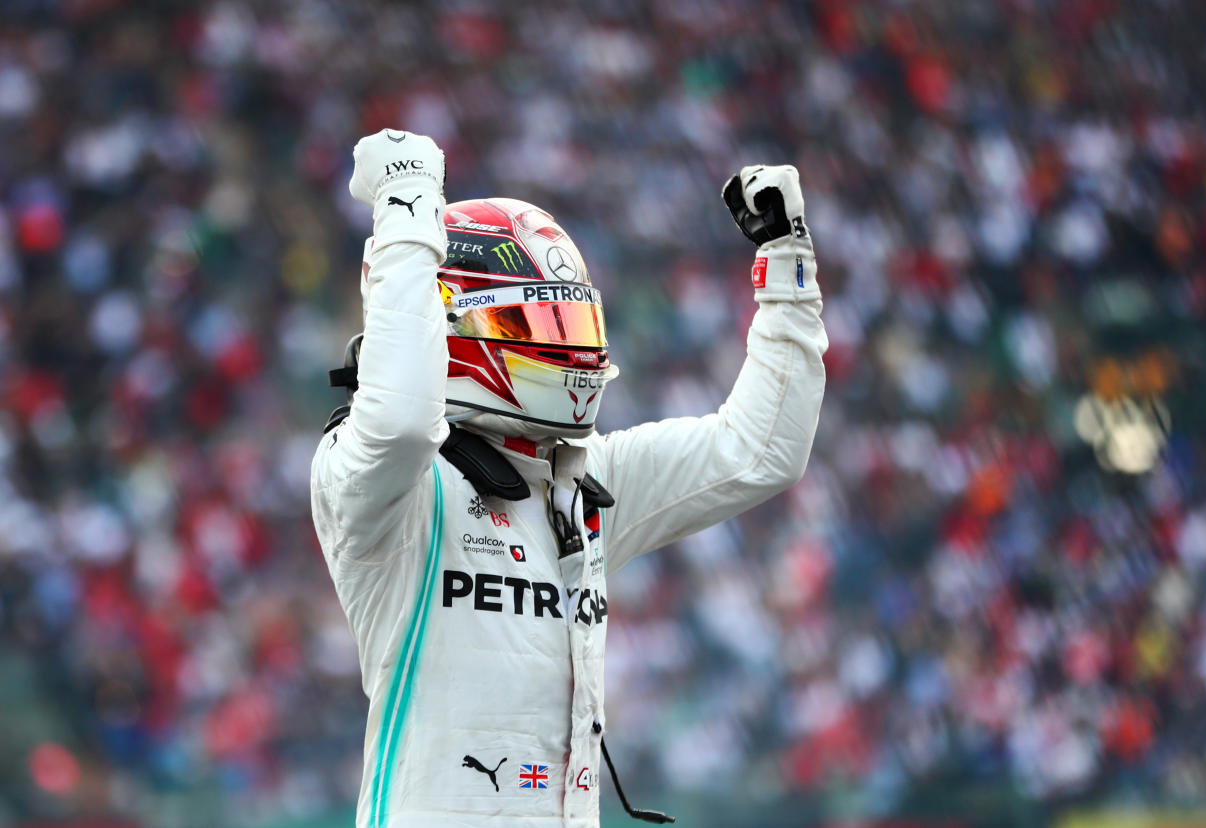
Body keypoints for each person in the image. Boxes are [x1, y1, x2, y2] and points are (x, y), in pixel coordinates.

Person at [309, 129, 827, 828]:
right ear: (450, 326)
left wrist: (787, 267)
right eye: (534, 319)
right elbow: (401, 419)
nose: (566, 342)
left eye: (570, 315)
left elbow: (760, 451)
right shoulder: (389, 484)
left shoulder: (580, 482)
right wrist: (406, 209)